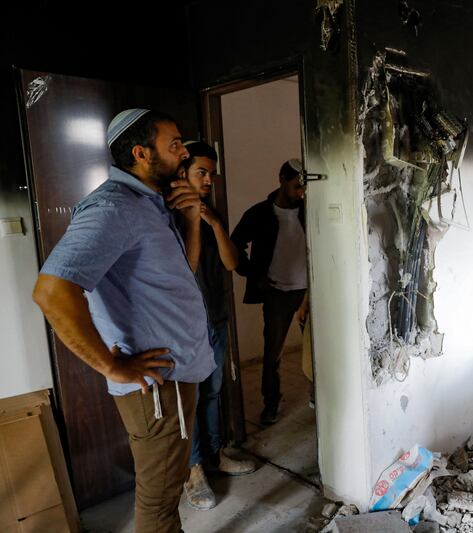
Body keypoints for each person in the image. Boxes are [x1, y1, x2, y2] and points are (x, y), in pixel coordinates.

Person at [32, 109, 215, 533]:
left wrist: (191, 222)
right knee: (159, 500)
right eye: (174, 145)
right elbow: (52, 291)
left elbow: (178, 278)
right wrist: (112, 366)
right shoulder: (113, 207)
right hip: (156, 385)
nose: (184, 153)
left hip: (175, 372)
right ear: (141, 153)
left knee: (166, 491)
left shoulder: (149, 205)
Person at [176, 141, 256, 510]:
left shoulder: (212, 212)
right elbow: (184, 270)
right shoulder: (171, 214)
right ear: (183, 173)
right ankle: (192, 470)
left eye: (211, 173)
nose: (208, 180)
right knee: (190, 399)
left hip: (216, 317)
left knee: (212, 392)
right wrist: (194, 220)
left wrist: (215, 223)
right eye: (200, 172)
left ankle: (214, 454)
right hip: (185, 326)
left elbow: (230, 263)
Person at [231, 159, 309, 425]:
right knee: (272, 354)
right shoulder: (260, 214)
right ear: (281, 179)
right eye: (297, 186)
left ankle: (320, 400)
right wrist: (254, 275)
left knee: (316, 352)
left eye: (304, 188)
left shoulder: (308, 211)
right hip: (277, 294)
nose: (301, 193)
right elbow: (234, 244)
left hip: (309, 295)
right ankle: (271, 405)